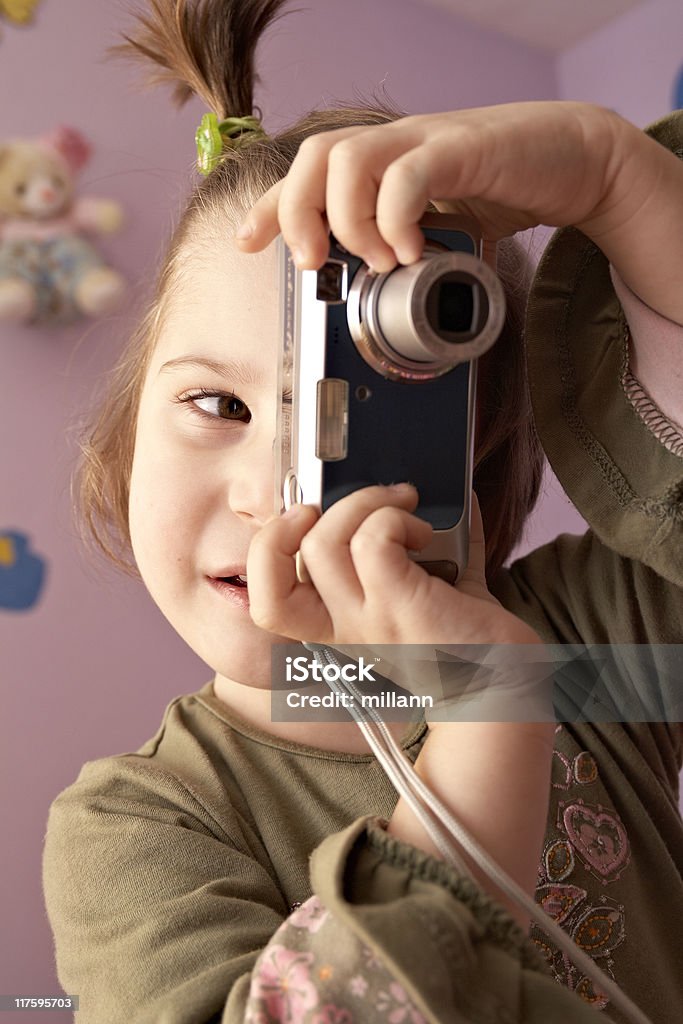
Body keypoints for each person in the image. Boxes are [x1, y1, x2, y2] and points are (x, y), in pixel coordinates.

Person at [41, 1, 683, 1022]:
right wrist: (483, 715)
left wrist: (614, 177)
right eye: (218, 405)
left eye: (350, 420)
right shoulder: (143, 825)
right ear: (123, 445)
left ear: (474, 446)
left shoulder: (591, 653)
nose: (271, 491)